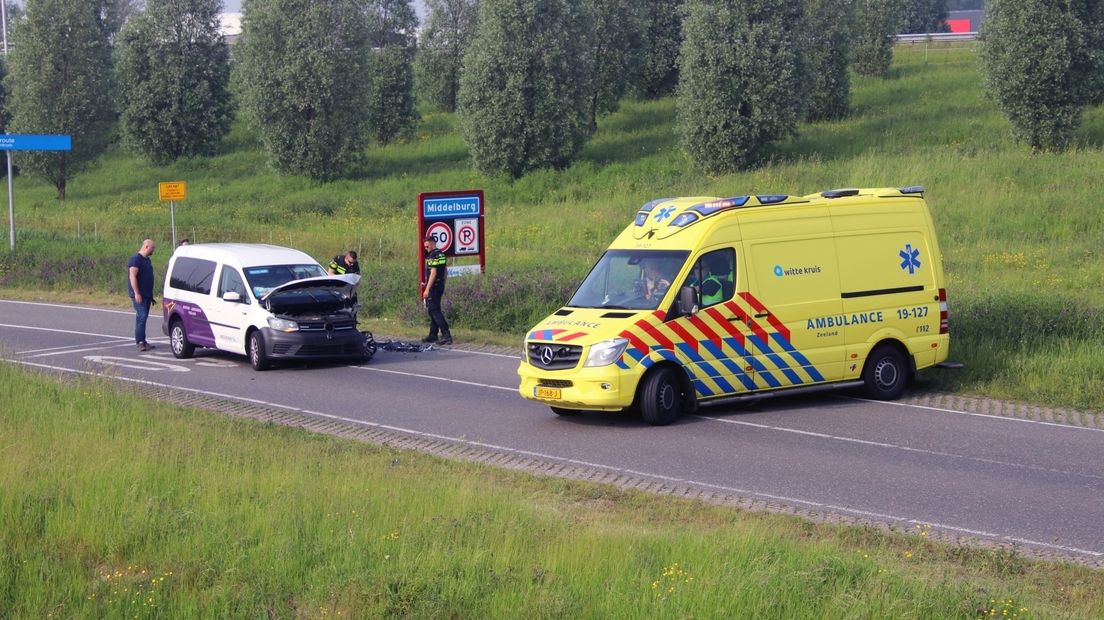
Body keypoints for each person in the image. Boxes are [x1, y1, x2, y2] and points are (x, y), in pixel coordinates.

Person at [421, 234, 452, 345]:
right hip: (440, 285)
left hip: (433, 287)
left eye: (427, 246)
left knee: (434, 310)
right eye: (425, 247)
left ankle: (446, 334)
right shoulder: (441, 254)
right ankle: (433, 335)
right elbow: (445, 271)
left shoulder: (432, 256)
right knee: (433, 309)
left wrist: (427, 289)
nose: (426, 248)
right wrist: (443, 283)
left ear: (433, 243)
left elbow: (433, 273)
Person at [127, 239, 157, 351]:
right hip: (139, 295)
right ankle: (140, 341)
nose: (153, 250)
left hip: (147, 295)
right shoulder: (136, 259)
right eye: (152, 248)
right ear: (146, 246)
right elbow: (132, 276)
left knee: (142, 317)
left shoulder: (147, 260)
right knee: (142, 316)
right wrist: (137, 293)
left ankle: (143, 340)